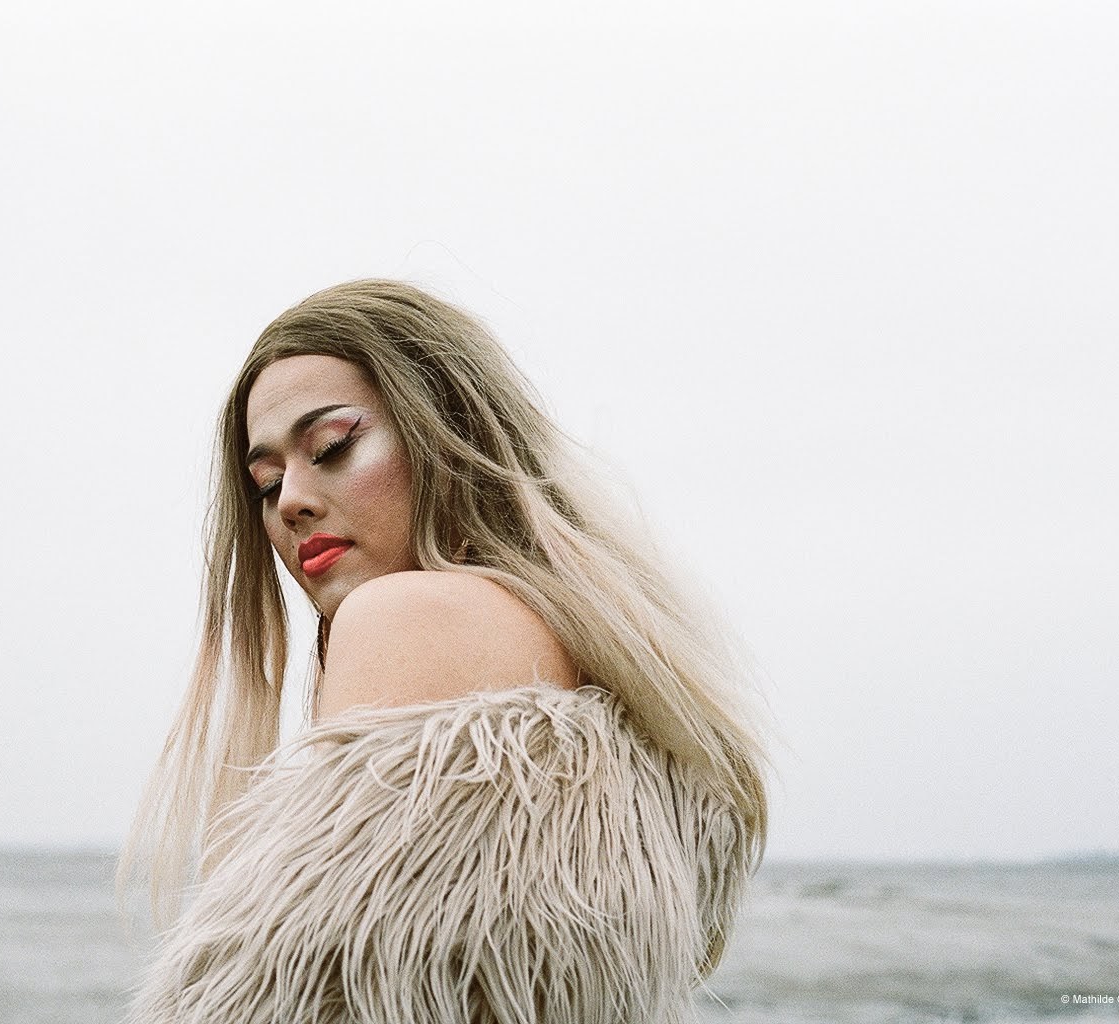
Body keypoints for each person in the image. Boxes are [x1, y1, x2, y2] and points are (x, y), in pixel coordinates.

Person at [120, 279, 769, 1024]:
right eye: (265, 483)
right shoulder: (597, 675)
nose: (291, 500)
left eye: (331, 446)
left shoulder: (411, 617)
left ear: (448, 431)